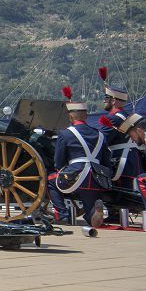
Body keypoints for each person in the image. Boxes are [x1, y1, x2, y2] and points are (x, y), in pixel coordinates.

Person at [46, 86, 107, 228]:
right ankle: (91, 213)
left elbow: (59, 161)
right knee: (89, 205)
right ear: (86, 115)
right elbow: (105, 161)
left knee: (50, 180)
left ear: (70, 116)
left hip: (76, 176)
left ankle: (62, 215)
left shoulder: (65, 134)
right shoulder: (100, 134)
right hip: (97, 179)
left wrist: (61, 169)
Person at [98, 71, 142, 192]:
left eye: (106, 98)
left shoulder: (114, 118)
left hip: (120, 162)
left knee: (120, 200)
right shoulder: (123, 116)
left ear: (113, 101)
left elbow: (100, 140)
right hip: (129, 162)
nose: (103, 101)